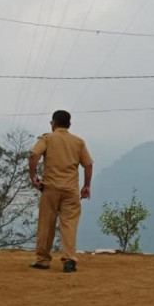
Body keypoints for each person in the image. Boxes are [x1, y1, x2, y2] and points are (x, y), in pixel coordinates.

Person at [28, 110, 93, 272]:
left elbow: (34, 155)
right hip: (71, 190)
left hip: (50, 188)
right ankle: (69, 260)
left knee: (46, 224)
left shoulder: (47, 139)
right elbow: (88, 165)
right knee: (69, 224)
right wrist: (86, 186)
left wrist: (33, 177)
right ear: (69, 125)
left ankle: (43, 260)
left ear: (54, 123)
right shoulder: (78, 142)